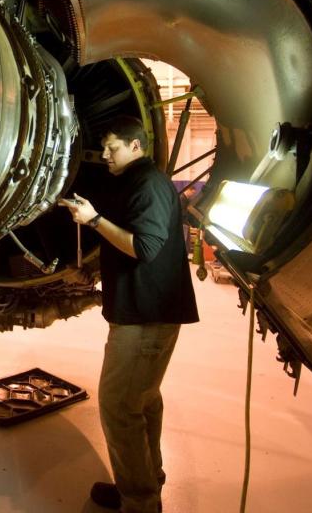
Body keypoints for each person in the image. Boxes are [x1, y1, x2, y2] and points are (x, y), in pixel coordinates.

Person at [60, 116, 199, 513]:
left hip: (146, 319)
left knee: (119, 407)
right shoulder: (136, 181)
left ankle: (140, 503)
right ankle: (143, 481)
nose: (104, 155)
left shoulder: (149, 184)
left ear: (136, 146)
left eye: (113, 147)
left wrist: (94, 221)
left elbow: (145, 248)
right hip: (141, 312)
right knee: (142, 401)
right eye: (103, 147)